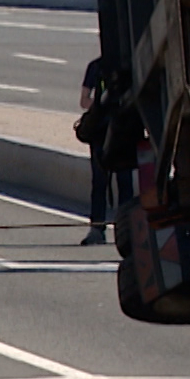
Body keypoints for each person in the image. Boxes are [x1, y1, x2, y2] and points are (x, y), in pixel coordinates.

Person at [80, 56, 116, 246]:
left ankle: (100, 229)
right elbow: (84, 100)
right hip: (108, 131)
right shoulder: (97, 67)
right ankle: (100, 228)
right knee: (105, 182)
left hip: (111, 131)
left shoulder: (98, 66)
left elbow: (84, 101)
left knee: (105, 182)